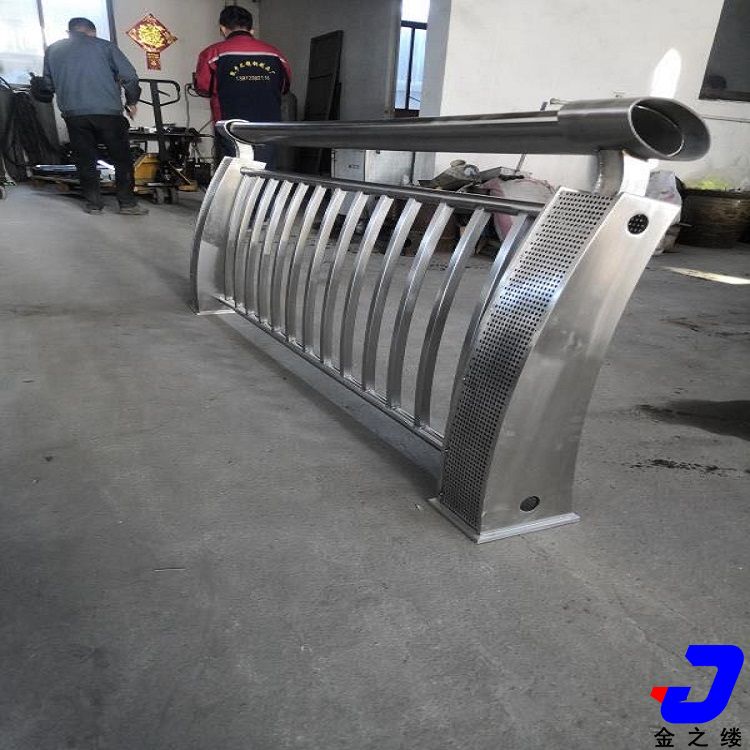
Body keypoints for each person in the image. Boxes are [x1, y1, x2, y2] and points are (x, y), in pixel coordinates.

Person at [41, 17, 148, 215]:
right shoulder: (105, 47)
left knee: (85, 160)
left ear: (69, 32)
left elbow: (46, 86)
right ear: (92, 32)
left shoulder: (53, 50)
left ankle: (94, 204)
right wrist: (132, 101)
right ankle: (127, 204)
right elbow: (130, 77)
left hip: (74, 115)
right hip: (108, 113)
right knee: (121, 159)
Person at [195, 5, 291, 168]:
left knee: (235, 172)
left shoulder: (212, 53)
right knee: (265, 171)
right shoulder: (275, 54)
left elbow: (203, 87)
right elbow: (284, 88)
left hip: (230, 125)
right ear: (251, 29)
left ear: (222, 28)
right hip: (268, 126)